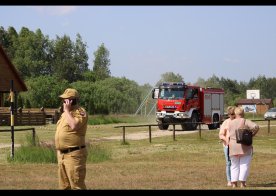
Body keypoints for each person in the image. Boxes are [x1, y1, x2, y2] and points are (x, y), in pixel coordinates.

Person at [55, 88, 88, 190]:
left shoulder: (80, 112)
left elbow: (74, 125)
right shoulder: (65, 113)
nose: (63, 102)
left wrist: (66, 110)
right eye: (63, 100)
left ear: (72, 100)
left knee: (77, 186)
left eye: (66, 100)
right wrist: (66, 111)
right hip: (62, 155)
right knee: (64, 186)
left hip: (74, 155)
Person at [228, 106, 259, 188]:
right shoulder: (246, 121)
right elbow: (256, 126)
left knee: (234, 165)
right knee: (244, 164)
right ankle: (242, 183)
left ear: (235, 113)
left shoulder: (230, 122)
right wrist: (252, 134)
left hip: (233, 145)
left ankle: (234, 184)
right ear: (243, 113)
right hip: (244, 145)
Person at [219, 106, 236, 187]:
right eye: (231, 114)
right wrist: (226, 140)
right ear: (229, 114)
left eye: (234, 114)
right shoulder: (226, 122)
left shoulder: (238, 121)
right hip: (227, 146)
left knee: (236, 163)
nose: (232, 116)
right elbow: (221, 134)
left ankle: (236, 180)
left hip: (237, 146)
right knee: (229, 163)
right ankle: (229, 181)